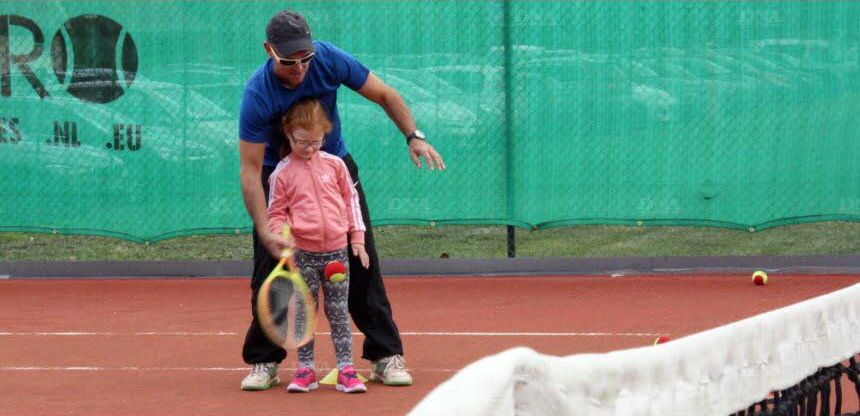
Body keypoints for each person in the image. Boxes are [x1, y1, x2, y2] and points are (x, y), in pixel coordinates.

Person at [238, 9, 445, 391]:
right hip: (280, 179)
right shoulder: (257, 94)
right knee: (272, 269)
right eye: (288, 61)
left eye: (305, 58)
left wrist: (413, 136)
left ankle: (385, 355)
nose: (299, 67)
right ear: (269, 51)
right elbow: (250, 172)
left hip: (334, 173)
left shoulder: (329, 59)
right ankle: (264, 362)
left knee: (362, 262)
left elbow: (385, 94)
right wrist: (266, 227)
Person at [267, 99, 368, 394]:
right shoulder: (282, 173)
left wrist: (357, 240)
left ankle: (346, 370)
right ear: (289, 135)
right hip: (303, 257)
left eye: (316, 141)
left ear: (325, 135)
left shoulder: (336, 166)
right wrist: (281, 239)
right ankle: (306, 370)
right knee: (304, 314)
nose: (310, 148)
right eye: (302, 142)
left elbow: (352, 202)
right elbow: (276, 214)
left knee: (338, 311)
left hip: (337, 254)